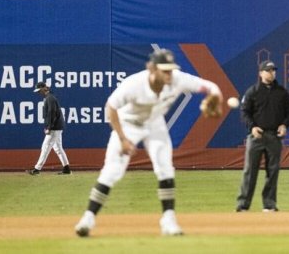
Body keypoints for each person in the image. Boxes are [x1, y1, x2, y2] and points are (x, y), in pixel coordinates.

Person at [74, 48, 222, 238]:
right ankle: (88, 218)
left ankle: (168, 220)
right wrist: (123, 139)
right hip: (128, 124)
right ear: (152, 68)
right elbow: (111, 108)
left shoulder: (177, 79)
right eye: (164, 70)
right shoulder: (134, 84)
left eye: (171, 69)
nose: (169, 74)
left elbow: (210, 87)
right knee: (112, 171)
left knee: (165, 168)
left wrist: (215, 99)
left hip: (155, 124)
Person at [235, 60, 289, 213]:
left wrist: (284, 125)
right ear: (261, 73)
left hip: (274, 136)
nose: (271, 73)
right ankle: (243, 205)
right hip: (256, 136)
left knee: (273, 171)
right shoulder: (253, 91)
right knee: (250, 171)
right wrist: (252, 127)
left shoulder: (282, 92)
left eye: (273, 70)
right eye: (268, 70)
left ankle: (269, 204)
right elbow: (244, 112)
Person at [27, 81, 71, 175]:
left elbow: (52, 113)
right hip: (57, 126)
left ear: (44, 88)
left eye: (39, 90)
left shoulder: (49, 98)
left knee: (45, 147)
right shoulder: (49, 97)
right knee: (58, 148)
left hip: (54, 127)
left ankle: (37, 169)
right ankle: (66, 168)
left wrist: (48, 127)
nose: (39, 92)